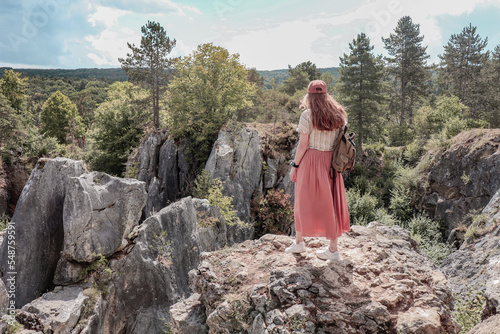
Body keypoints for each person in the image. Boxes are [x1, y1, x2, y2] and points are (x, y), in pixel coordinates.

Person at [285, 80, 350, 260]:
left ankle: (299, 242)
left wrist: (295, 165)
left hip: (311, 161)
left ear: (309, 95)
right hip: (331, 162)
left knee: (302, 200)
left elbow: (303, 144)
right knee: (332, 202)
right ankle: (333, 249)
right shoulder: (339, 114)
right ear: (326, 95)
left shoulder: (307, 115)